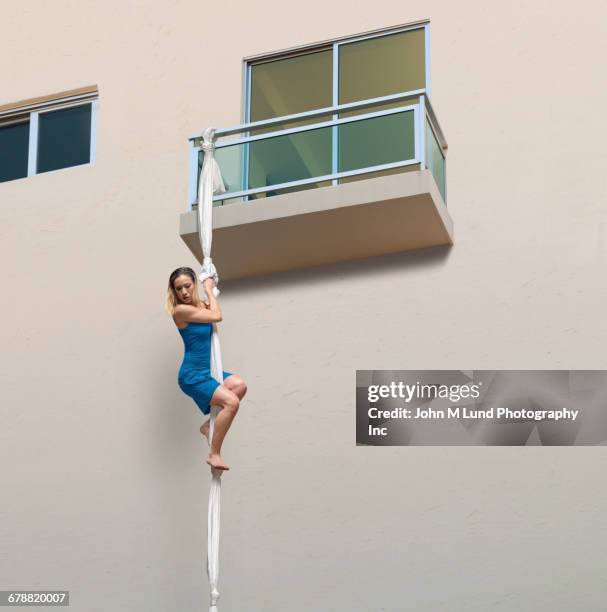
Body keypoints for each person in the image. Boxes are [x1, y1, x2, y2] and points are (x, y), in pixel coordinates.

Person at [165, 266, 247, 471]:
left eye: (187, 286)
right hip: (192, 376)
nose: (183, 292)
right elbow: (217, 315)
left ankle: (208, 426)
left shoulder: (200, 306)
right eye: (178, 289)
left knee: (239, 385)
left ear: (193, 284)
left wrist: (211, 288)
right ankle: (214, 454)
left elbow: (213, 310)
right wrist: (209, 288)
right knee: (231, 403)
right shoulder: (180, 311)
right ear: (173, 292)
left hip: (207, 371)